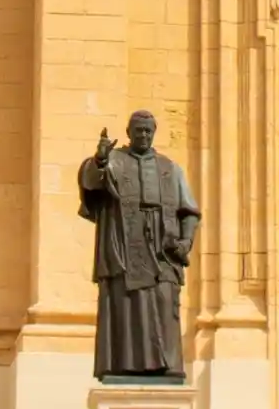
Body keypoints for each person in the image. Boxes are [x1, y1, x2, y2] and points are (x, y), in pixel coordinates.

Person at [78, 111, 201, 381]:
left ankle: (166, 365)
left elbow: (189, 211)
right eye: (138, 131)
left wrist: (186, 241)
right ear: (129, 132)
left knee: (164, 301)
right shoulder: (114, 162)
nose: (143, 135)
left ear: (153, 132)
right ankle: (126, 366)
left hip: (163, 246)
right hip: (125, 242)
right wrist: (99, 159)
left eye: (148, 130)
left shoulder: (170, 168)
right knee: (127, 303)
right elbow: (90, 183)